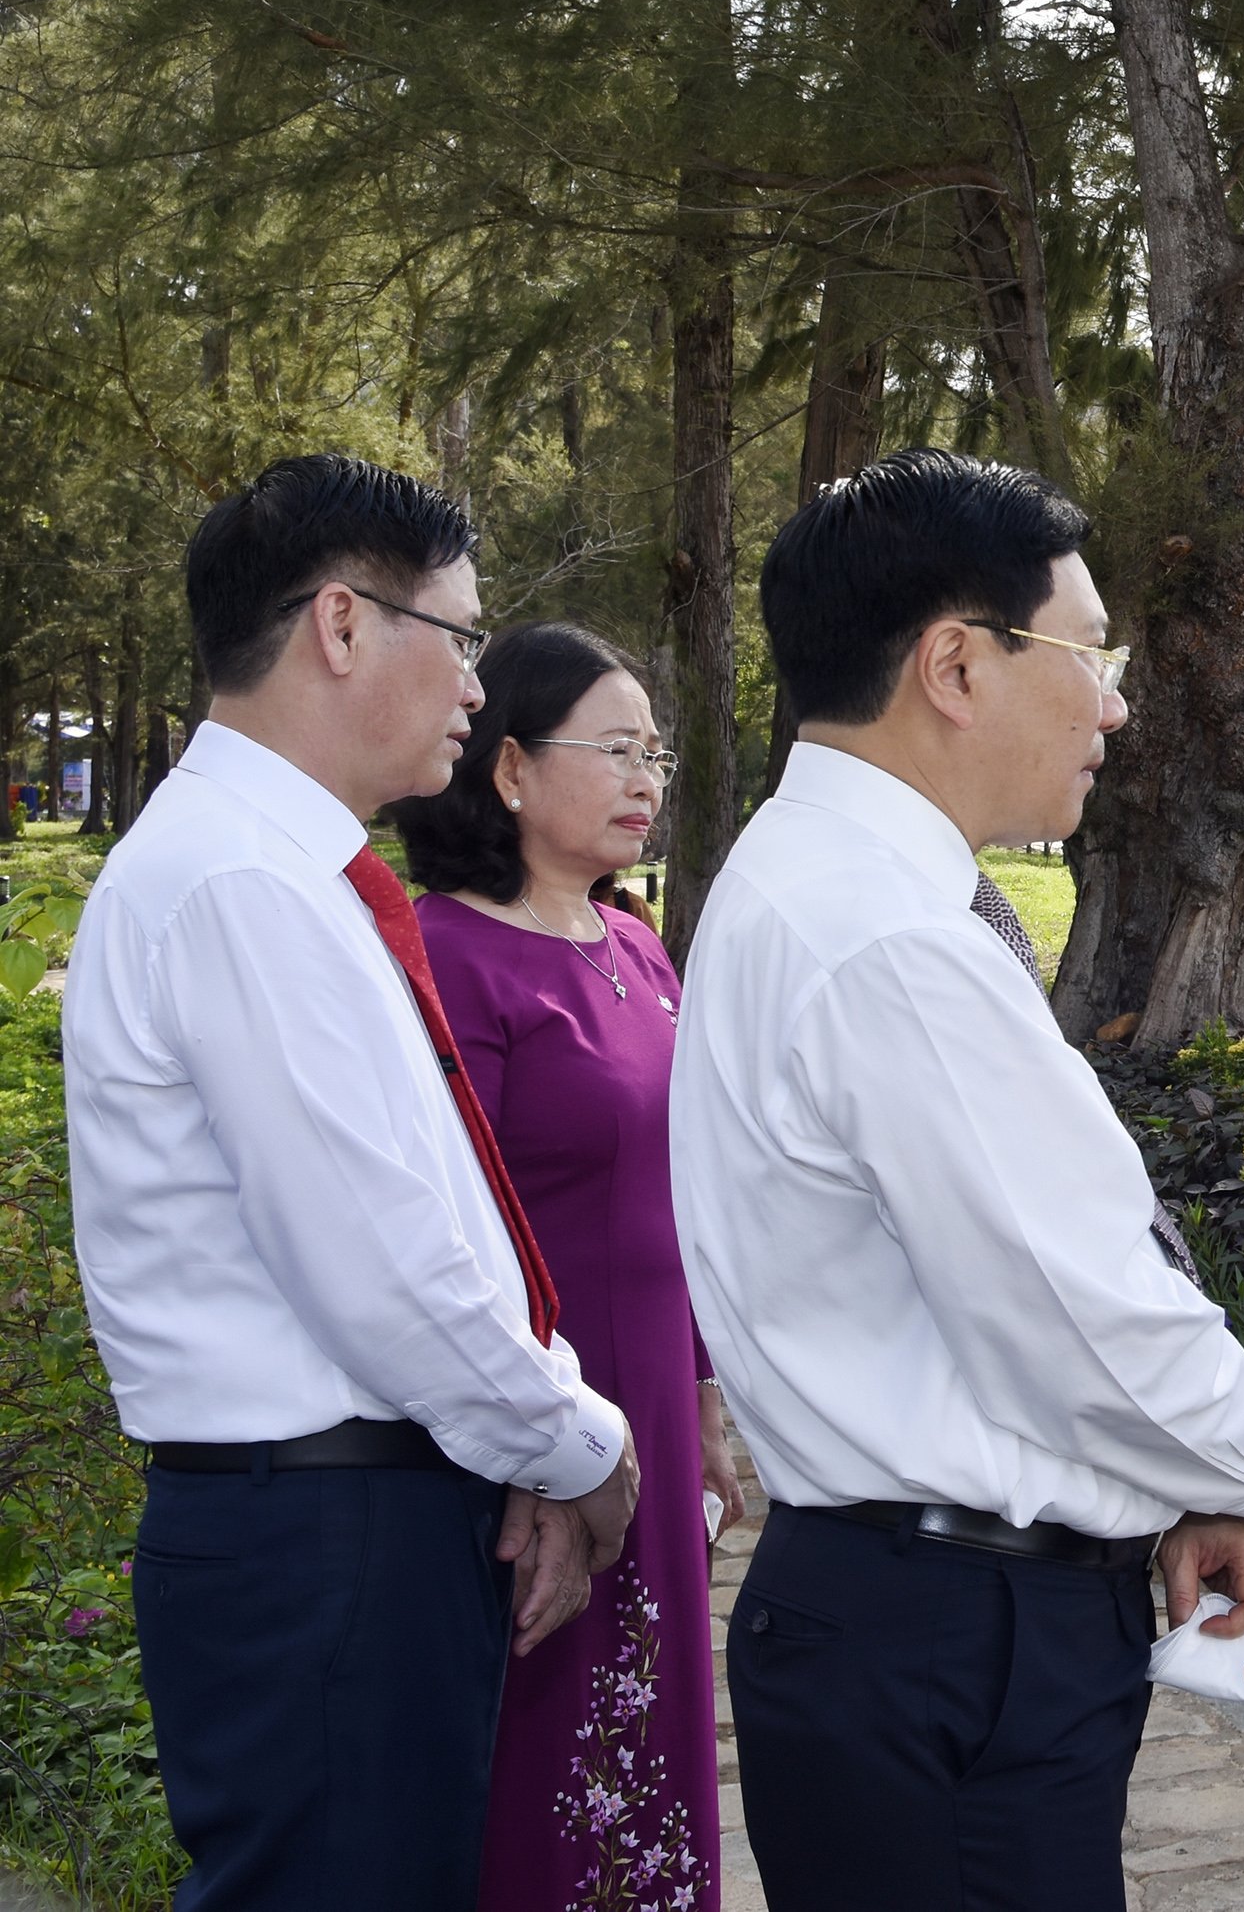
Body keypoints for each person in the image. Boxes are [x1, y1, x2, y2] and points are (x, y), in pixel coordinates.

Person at [670, 448, 1244, 1912]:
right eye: (1095, 653)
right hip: (957, 1634)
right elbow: (1073, 1300)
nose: (1116, 702)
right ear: (955, 661)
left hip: (905, 1606)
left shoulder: (813, 877)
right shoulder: (885, 933)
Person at [61, 454, 640, 1905]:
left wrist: (536, 1416)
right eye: (459, 635)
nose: (472, 683)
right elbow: (387, 1272)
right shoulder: (244, 885)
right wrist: (581, 1443)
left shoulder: (280, 870)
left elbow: (427, 1212)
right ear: (339, 622)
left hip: (349, 1517)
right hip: (323, 1528)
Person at [391, 624, 741, 1912]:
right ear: (511, 770)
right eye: (615, 746)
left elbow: (684, 1186)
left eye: (656, 748)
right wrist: (537, 1446)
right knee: (550, 1747)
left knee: (654, 1742)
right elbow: (447, 1229)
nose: (648, 773)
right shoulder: (444, 955)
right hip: (534, 1418)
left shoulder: (633, 942)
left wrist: (701, 1396)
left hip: (652, 1392)